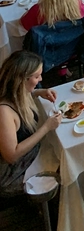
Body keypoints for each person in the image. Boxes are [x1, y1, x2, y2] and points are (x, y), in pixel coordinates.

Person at [0, 51, 61, 196]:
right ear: (22, 79)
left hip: (29, 154)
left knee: (60, 151)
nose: (41, 78)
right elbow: (11, 155)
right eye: (36, 76)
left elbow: (21, 97)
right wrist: (46, 127)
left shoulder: (14, 93)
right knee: (64, 166)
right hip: (12, 172)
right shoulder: (4, 112)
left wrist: (39, 92)